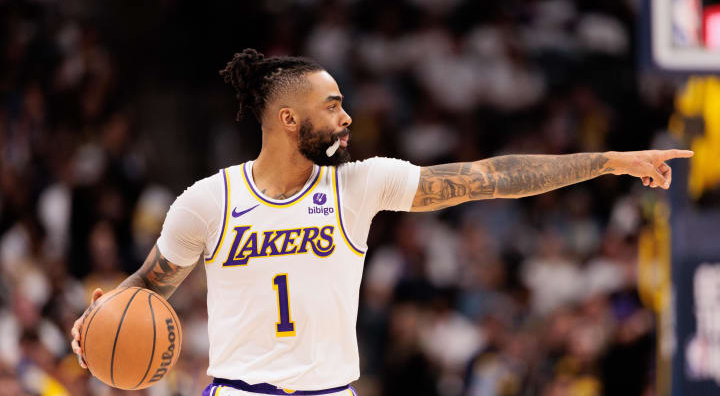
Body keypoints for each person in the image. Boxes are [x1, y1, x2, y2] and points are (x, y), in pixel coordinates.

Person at [70, 48, 693, 396]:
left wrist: (607, 161)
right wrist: (94, 322)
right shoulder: (208, 201)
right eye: (333, 105)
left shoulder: (361, 185)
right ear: (288, 120)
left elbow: (490, 175)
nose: (347, 119)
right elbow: (150, 286)